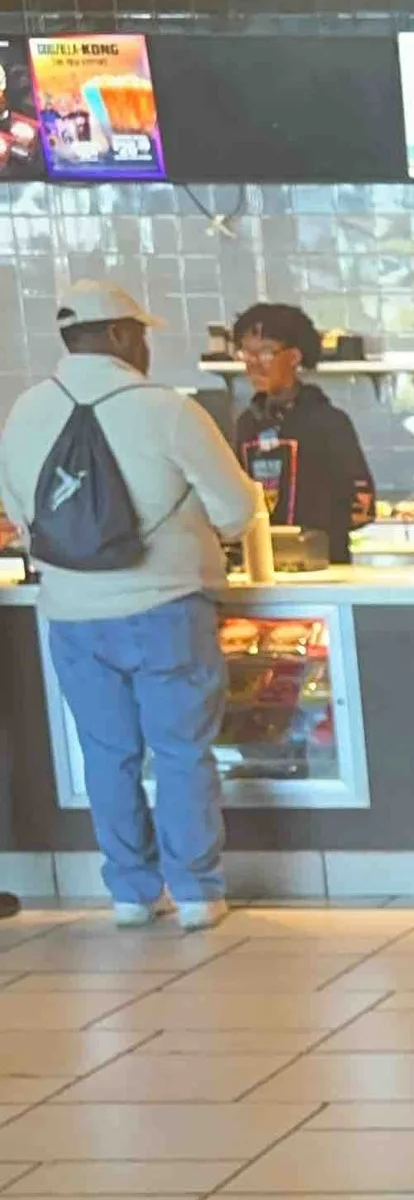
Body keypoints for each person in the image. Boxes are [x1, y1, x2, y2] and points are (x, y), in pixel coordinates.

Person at [0, 278, 265, 928]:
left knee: (107, 754)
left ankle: (131, 893)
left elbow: (20, 516)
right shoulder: (167, 408)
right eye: (141, 334)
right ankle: (198, 893)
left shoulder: (25, 411)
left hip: (70, 615)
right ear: (119, 335)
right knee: (180, 752)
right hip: (167, 606)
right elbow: (236, 510)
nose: (145, 346)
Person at [225, 300, 375, 562]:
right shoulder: (247, 424)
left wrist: (314, 533)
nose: (254, 364)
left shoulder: (329, 422)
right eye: (246, 354)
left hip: (322, 570)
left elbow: (363, 505)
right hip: (261, 571)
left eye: (266, 353)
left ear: (294, 357)